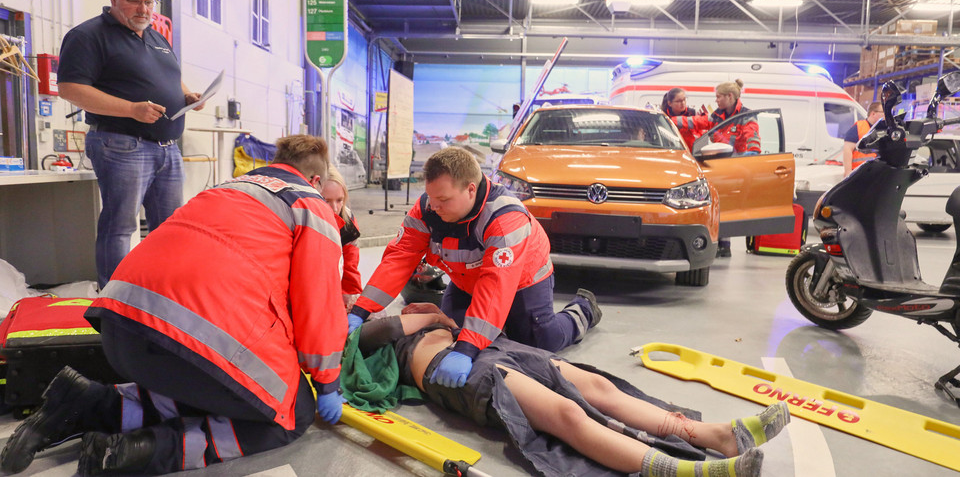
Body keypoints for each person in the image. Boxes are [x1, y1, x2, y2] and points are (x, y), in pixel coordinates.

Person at [0, 135, 347, 476]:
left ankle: (87, 403)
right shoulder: (308, 205)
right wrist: (327, 382)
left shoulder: (226, 189)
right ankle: (136, 453)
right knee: (289, 410)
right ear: (315, 180)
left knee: (227, 388)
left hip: (119, 330)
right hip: (191, 340)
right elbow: (318, 307)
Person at [347, 304, 791, 477]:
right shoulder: (375, 328)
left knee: (595, 385)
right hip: (451, 371)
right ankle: (677, 472)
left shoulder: (418, 307)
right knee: (565, 415)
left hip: (483, 346)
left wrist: (444, 317)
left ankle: (715, 436)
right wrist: (431, 318)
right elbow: (378, 331)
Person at [347, 147, 601, 388]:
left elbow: (495, 287)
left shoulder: (504, 220)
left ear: (470, 189)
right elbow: (400, 258)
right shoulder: (427, 208)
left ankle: (582, 310)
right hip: (466, 279)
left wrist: (468, 349)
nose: (434, 207)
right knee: (454, 332)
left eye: (443, 199)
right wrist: (361, 310)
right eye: (431, 197)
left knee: (539, 341)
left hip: (523, 280)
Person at [57, 0, 206, 289]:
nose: (145, 10)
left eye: (150, 3)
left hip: (167, 148)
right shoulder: (88, 36)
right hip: (122, 145)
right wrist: (131, 110)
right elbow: (70, 88)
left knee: (168, 227)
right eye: (135, 2)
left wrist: (187, 94)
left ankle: (161, 294)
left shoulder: (154, 36)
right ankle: (114, 299)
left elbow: (170, 75)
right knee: (121, 226)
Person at [710, 79, 758, 258]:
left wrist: (746, 158)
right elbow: (700, 123)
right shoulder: (717, 115)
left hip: (736, 167)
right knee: (719, 203)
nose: (716, 100)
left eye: (719, 97)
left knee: (726, 205)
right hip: (720, 165)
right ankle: (722, 244)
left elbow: (753, 141)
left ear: (730, 97)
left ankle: (725, 245)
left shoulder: (747, 116)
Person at [321, 165, 363, 309]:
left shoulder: (348, 221)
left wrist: (352, 296)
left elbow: (350, 264)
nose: (334, 208)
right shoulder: (303, 218)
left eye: (339, 200)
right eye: (326, 200)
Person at [843, 102, 884, 177]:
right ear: (873, 114)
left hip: (875, 173)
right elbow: (847, 149)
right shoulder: (859, 127)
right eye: (883, 112)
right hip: (858, 172)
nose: (885, 115)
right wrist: (848, 171)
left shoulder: (882, 129)